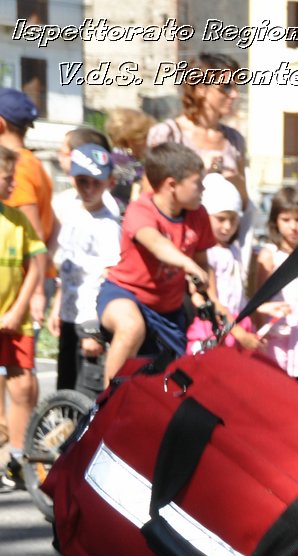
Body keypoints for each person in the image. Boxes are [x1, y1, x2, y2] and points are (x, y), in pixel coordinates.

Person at [98, 143, 213, 380]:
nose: (203, 188)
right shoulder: (141, 209)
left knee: (175, 381)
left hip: (169, 311)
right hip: (125, 295)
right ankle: (107, 403)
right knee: (132, 327)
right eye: (197, 183)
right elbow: (156, 244)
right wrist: (188, 264)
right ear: (172, 185)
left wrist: (200, 290)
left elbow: (202, 261)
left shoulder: (198, 215)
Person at [49, 145, 122, 396]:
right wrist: (58, 305)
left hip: (89, 319)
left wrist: (94, 329)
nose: (89, 189)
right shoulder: (71, 214)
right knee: (64, 387)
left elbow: (109, 276)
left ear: (109, 182)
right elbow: (69, 269)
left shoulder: (108, 225)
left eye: (96, 183)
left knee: (84, 394)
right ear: (72, 179)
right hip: (70, 315)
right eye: (83, 182)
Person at [146, 53, 250, 208]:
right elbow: (150, 194)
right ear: (201, 88)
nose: (234, 95)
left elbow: (244, 204)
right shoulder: (168, 134)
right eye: (226, 87)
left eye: (236, 87)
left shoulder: (235, 140)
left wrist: (237, 183)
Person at [0, 146, 46, 491]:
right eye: (6, 178)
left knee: (22, 385)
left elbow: (36, 267)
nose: (13, 184)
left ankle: (17, 460)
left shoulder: (17, 221)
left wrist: (19, 309)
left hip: (15, 319)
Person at [254, 186, 298, 382]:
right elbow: (259, 302)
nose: (293, 226)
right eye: (286, 220)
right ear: (276, 221)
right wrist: (261, 336)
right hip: (278, 339)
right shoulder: (269, 255)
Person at [186, 173, 260, 354]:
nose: (227, 226)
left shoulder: (234, 250)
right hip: (215, 328)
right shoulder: (206, 254)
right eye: (221, 219)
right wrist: (239, 333)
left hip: (234, 326)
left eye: (233, 220)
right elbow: (212, 300)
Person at [0, 88, 55, 329]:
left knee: (16, 365)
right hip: (31, 281)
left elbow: (35, 233)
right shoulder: (33, 163)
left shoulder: (15, 169)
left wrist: (38, 291)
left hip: (23, 286)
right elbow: (55, 224)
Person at [105, 108, 155, 208]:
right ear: (135, 138)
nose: (149, 143)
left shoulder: (106, 159)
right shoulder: (136, 169)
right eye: (146, 137)